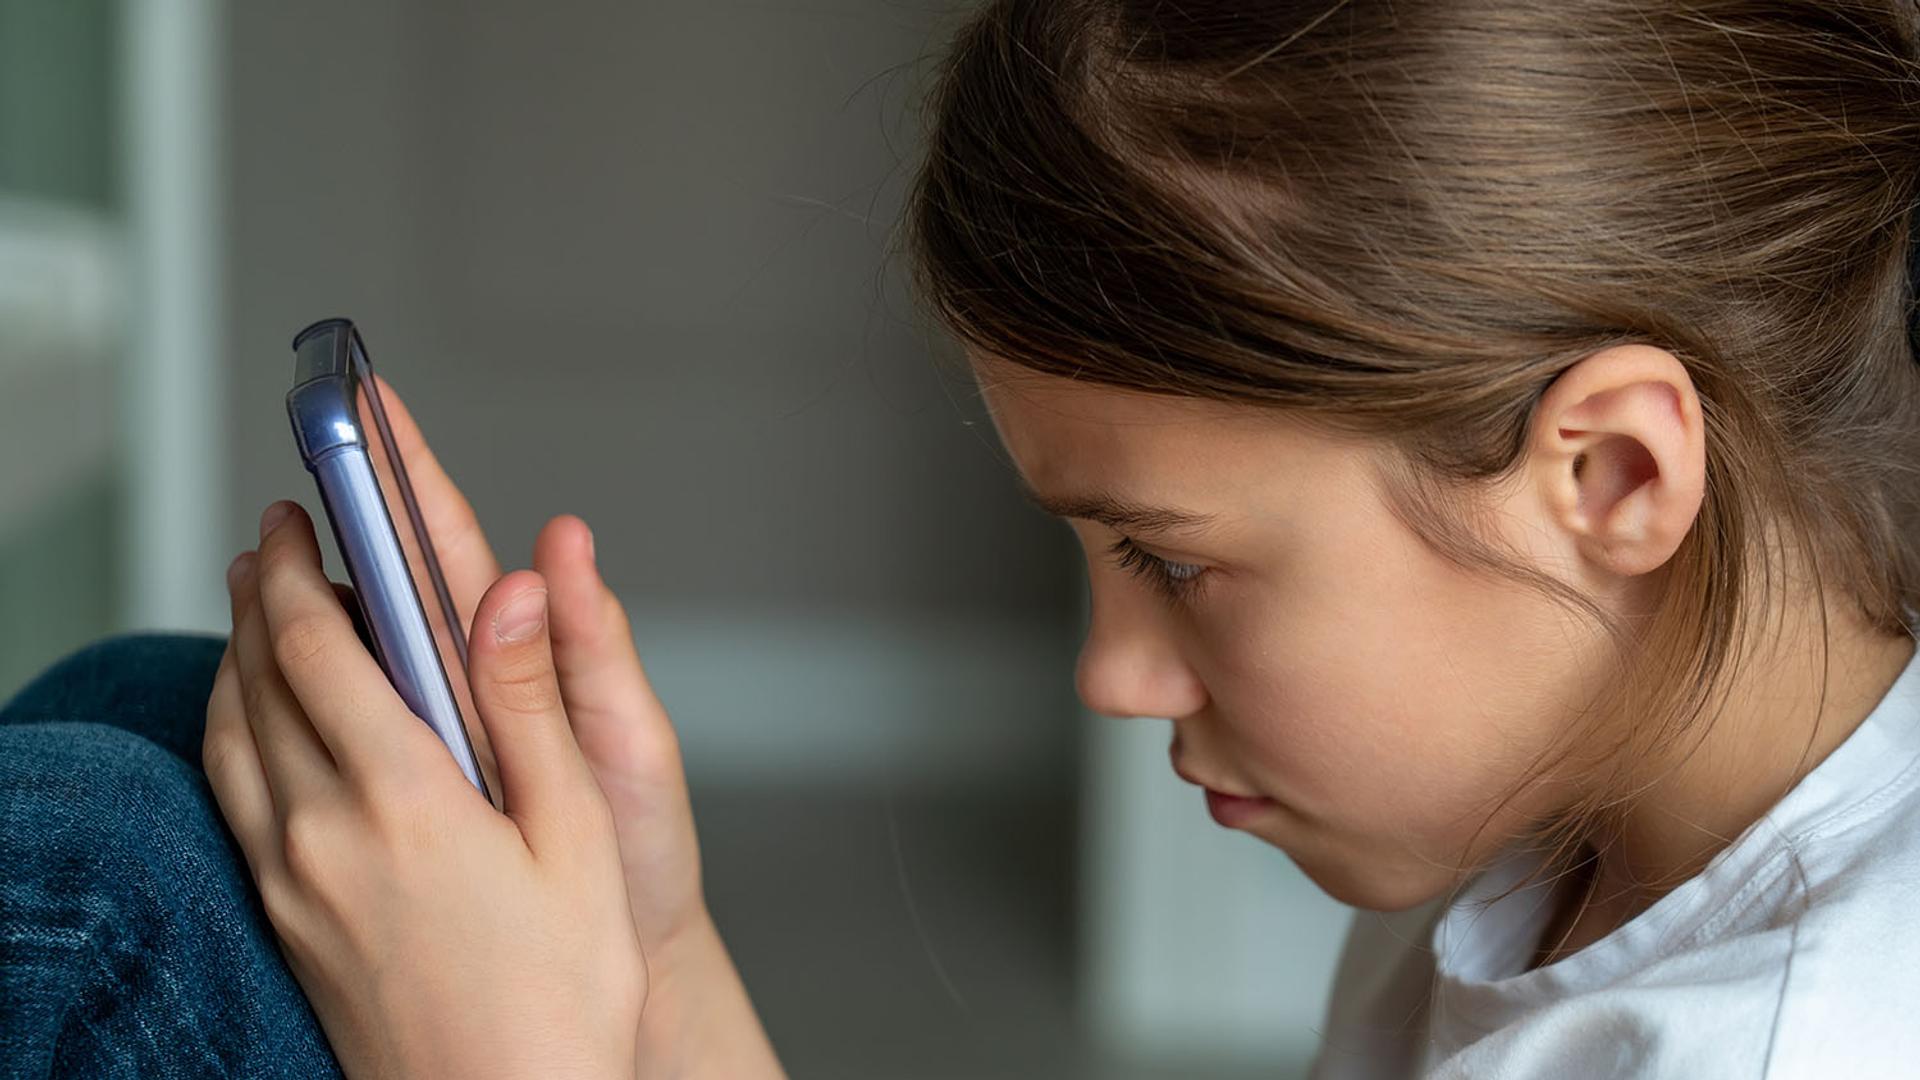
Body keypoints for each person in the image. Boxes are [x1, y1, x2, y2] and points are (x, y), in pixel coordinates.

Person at [7, 0, 1920, 1076]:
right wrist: (655, 956)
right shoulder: (1590, 827)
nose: (1109, 672)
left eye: (1172, 559)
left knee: (127, 879)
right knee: (183, 729)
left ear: (1609, 480)